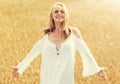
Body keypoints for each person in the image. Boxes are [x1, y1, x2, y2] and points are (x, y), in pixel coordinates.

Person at [11, 2, 108, 84]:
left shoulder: (73, 33)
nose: (59, 13)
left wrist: (97, 68)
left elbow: (86, 52)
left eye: (62, 11)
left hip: (66, 78)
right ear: (52, 16)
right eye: (56, 11)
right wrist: (20, 68)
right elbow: (33, 53)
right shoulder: (46, 35)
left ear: (66, 15)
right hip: (47, 78)